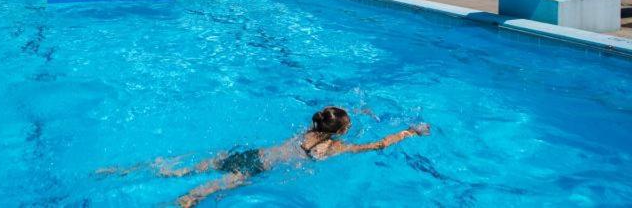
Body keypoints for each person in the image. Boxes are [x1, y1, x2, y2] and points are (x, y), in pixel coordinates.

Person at [98, 107, 429, 207]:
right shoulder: (333, 148)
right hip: (258, 168)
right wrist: (409, 132)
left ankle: (125, 171)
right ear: (340, 133)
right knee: (207, 192)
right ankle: (183, 203)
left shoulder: (309, 132)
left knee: (185, 169)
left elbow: (329, 117)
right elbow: (377, 146)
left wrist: (352, 112)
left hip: (253, 153)